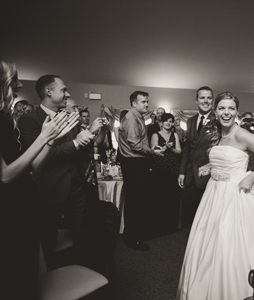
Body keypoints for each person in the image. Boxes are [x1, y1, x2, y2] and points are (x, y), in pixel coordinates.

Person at [177, 92, 254, 300]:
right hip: (213, 194)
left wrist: (252, 176)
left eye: (231, 109)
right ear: (215, 111)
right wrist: (211, 166)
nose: (226, 113)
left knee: (228, 245)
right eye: (222, 108)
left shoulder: (242, 135)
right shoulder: (217, 134)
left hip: (234, 195)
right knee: (208, 245)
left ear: (237, 112)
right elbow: (223, 156)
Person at [1, 58, 78, 299]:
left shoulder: (5, 117)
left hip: (26, 204)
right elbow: (5, 175)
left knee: (29, 273)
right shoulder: (18, 119)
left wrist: (53, 138)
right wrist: (44, 137)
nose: (20, 86)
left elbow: (32, 166)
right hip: (10, 210)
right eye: (13, 80)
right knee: (17, 277)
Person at [19, 75, 100, 256]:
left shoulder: (69, 118)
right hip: (50, 190)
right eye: (63, 90)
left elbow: (82, 150)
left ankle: (82, 274)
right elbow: (40, 155)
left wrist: (90, 135)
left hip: (77, 187)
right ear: (49, 92)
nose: (67, 93)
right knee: (47, 241)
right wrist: (76, 144)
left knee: (83, 239)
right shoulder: (30, 120)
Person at [118, 91, 164, 251]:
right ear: (134, 104)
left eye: (147, 101)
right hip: (133, 163)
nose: (146, 104)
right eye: (143, 102)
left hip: (136, 163)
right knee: (135, 202)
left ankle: (135, 235)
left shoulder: (137, 117)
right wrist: (153, 152)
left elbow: (138, 142)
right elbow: (134, 144)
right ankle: (132, 239)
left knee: (137, 201)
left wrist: (151, 149)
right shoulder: (131, 118)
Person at [179, 86, 215, 227]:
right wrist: (182, 171)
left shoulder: (218, 120)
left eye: (209, 98)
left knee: (207, 214)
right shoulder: (190, 121)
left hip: (209, 173)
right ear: (196, 101)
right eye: (202, 98)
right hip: (190, 173)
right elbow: (187, 148)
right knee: (190, 211)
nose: (205, 101)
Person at [150, 112, 182, 234]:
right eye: (166, 121)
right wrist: (162, 148)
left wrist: (171, 148)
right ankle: (159, 226)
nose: (168, 123)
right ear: (162, 123)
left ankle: (170, 226)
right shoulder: (155, 135)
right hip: (159, 169)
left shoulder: (175, 135)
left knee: (172, 199)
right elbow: (152, 150)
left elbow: (179, 152)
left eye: (170, 121)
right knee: (160, 197)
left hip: (173, 169)